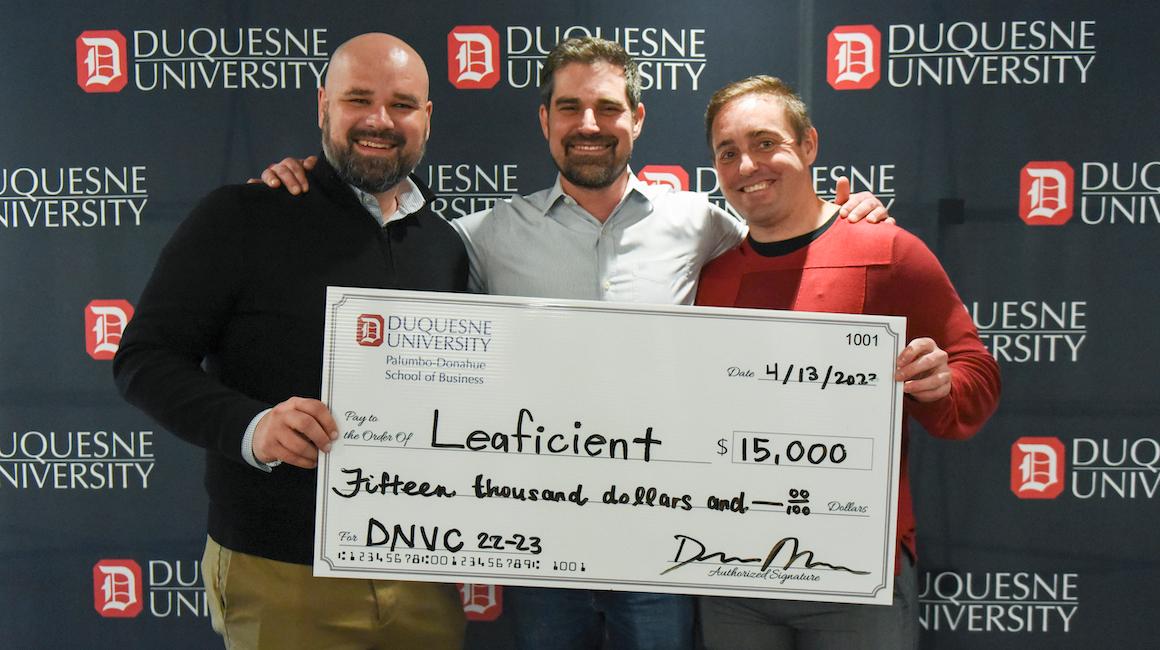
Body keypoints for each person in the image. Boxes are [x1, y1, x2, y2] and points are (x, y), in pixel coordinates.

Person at [259, 37, 890, 650]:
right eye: (570, 108)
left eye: (608, 108)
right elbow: (391, 251)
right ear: (544, 121)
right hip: (541, 547)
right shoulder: (484, 237)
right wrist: (309, 188)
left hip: (663, 543)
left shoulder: (702, 225)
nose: (590, 123)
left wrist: (848, 218)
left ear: (637, 119)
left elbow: (786, 237)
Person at [112, 33, 468, 649]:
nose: (380, 121)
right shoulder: (243, 215)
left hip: (422, 571)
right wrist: (254, 428)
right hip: (281, 571)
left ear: (427, 118)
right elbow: (145, 358)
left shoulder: (445, 245)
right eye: (359, 99)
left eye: (402, 104)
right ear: (323, 105)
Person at [695, 75, 1001, 649]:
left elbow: (976, 373)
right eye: (728, 153)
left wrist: (941, 383)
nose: (746, 166)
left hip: (855, 573)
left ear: (808, 145)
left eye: (766, 143)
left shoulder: (887, 250)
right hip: (730, 572)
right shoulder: (712, 275)